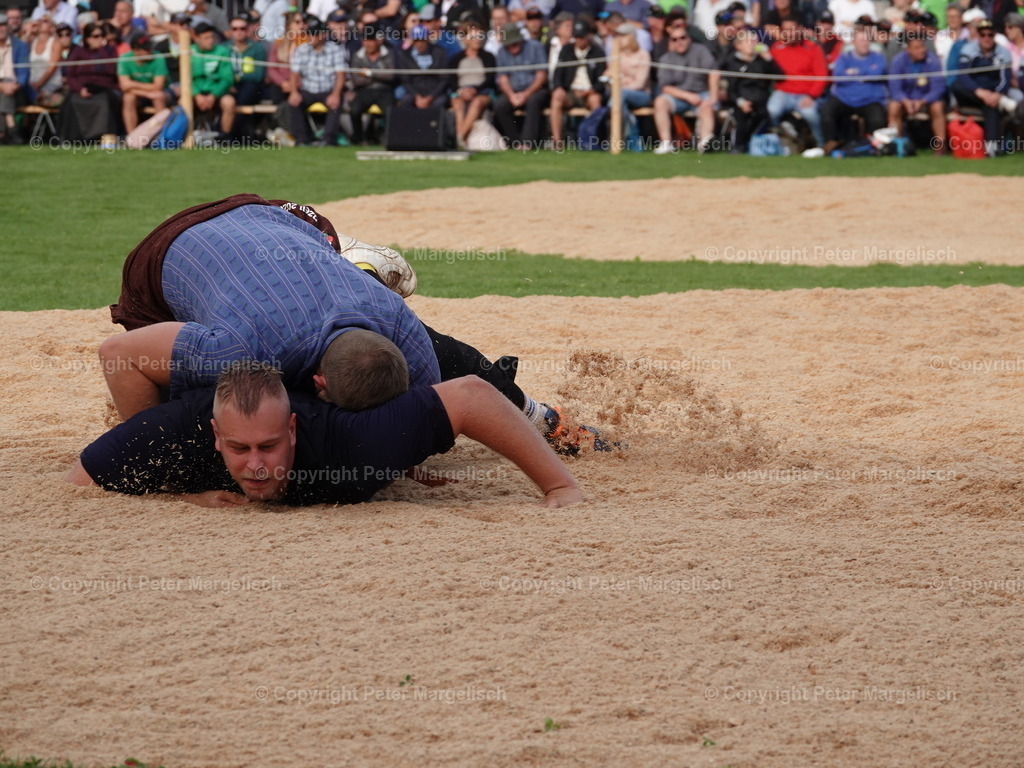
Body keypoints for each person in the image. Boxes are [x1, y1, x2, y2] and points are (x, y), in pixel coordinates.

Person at [102, 195, 590, 451]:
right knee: (201, 407)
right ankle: (347, 267)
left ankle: (542, 416)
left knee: (438, 351)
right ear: (318, 381)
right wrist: (157, 459)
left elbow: (453, 386)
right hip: (163, 252)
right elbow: (118, 356)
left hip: (276, 222)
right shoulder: (241, 351)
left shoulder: (405, 336)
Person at [67, 360, 584, 509]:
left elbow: (471, 395)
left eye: (269, 446)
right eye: (239, 448)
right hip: (211, 353)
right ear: (215, 436)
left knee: (420, 356)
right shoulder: (175, 435)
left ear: (292, 429)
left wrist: (560, 487)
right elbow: (80, 481)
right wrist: (187, 495)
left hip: (361, 352)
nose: (256, 465)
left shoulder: (353, 444)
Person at [952, 18, 1017, 154]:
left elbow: (1005, 79)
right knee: (956, 85)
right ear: (978, 35)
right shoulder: (968, 49)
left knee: (990, 105)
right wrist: (979, 91)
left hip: (992, 92)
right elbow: (963, 76)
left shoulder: (1003, 52)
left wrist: (996, 94)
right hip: (973, 92)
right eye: (983, 35)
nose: (986, 38)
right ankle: (1000, 102)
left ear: (994, 35)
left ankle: (991, 146)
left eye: (990, 34)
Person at [652, 23, 719, 153]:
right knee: (660, 102)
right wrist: (687, 96)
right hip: (679, 97)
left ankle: (705, 143)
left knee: (707, 106)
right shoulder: (666, 58)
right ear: (670, 42)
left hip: (701, 93)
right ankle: (666, 143)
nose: (679, 42)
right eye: (675, 39)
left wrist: (713, 98)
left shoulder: (700, 50)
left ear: (689, 38)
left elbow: (714, 73)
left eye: (682, 38)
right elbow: (665, 87)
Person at [819, 25, 888, 152]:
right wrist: (865, 75)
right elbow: (839, 77)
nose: (864, 43)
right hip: (844, 98)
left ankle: (872, 147)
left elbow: (877, 73)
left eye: (867, 40)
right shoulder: (844, 58)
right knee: (827, 111)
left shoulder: (878, 57)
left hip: (870, 99)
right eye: (861, 40)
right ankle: (831, 144)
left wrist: (854, 72)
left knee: (877, 119)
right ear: (853, 42)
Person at [768, 18, 827, 146]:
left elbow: (821, 75)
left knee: (810, 114)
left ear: (800, 29)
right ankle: (781, 143)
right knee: (772, 110)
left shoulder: (813, 48)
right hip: (783, 91)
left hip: (806, 94)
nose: (789, 34)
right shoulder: (776, 48)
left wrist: (811, 95)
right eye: (786, 31)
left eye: (792, 30)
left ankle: (821, 144)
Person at [721, 27, 781, 152]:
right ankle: (738, 147)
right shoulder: (733, 63)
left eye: (754, 41)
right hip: (741, 100)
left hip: (761, 100)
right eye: (748, 41)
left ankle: (753, 144)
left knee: (764, 115)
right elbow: (731, 89)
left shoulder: (761, 61)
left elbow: (779, 76)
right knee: (742, 118)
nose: (753, 44)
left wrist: (769, 58)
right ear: (738, 46)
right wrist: (740, 101)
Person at [59, 21, 120, 140]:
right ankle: (75, 137)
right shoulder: (78, 52)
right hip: (83, 87)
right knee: (71, 101)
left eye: (102, 35)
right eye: (96, 36)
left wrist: (102, 50)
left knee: (104, 102)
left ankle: (103, 136)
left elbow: (111, 71)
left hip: (104, 87)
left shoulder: (110, 51)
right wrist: (80, 89)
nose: (100, 39)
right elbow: (70, 76)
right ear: (87, 39)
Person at [288, 19, 345, 146]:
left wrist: (335, 94)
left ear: (323, 35)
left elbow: (340, 76)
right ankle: (301, 140)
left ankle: (329, 140)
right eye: (308, 33)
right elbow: (294, 75)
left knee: (337, 101)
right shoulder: (301, 50)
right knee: (293, 102)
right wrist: (294, 92)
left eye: (314, 34)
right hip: (307, 90)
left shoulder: (335, 50)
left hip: (328, 90)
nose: (310, 37)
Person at [549, 19, 606, 147]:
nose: (579, 40)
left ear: (588, 36)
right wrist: (558, 88)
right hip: (571, 91)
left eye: (582, 37)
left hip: (590, 92)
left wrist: (590, 91)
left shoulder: (598, 52)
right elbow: (557, 74)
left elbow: (601, 81)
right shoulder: (567, 50)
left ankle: (593, 141)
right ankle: (557, 142)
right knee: (556, 97)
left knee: (595, 100)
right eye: (576, 37)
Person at [493, 21, 549, 148]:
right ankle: (515, 143)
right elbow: (503, 78)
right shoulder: (502, 52)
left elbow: (541, 75)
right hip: (513, 91)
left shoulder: (536, 47)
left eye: (515, 44)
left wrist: (526, 94)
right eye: (509, 45)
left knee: (533, 101)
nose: (512, 48)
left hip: (535, 89)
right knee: (499, 105)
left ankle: (527, 143)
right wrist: (511, 95)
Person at [887, 33, 945, 151]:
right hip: (905, 101)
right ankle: (897, 146)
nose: (922, 50)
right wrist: (905, 100)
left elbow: (938, 88)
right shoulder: (898, 60)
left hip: (926, 100)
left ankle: (940, 147)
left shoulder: (932, 60)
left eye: (922, 46)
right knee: (893, 107)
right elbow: (894, 87)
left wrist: (923, 101)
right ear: (908, 49)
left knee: (937, 107)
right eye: (917, 48)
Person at [448, 20, 497, 146]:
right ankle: (461, 139)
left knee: (476, 103)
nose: (477, 40)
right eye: (473, 37)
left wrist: (475, 90)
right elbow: (451, 79)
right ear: (464, 39)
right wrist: (461, 91)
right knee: (458, 105)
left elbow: (490, 79)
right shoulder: (456, 58)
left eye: (480, 36)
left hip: (481, 92)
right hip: (461, 92)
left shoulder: (488, 57)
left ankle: (460, 138)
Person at [347, 23, 397, 145]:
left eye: (371, 40)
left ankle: (389, 139)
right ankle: (358, 139)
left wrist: (369, 73)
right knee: (354, 110)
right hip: (364, 91)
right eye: (365, 40)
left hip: (384, 90)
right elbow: (357, 80)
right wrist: (380, 75)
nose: (367, 44)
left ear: (378, 41)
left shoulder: (389, 53)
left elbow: (391, 76)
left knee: (390, 111)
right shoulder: (357, 56)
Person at [118, 29, 167, 133]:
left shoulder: (158, 57)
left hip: (160, 92)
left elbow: (159, 86)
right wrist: (147, 93)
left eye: (150, 47)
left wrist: (132, 84)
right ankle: (131, 137)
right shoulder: (124, 59)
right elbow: (124, 85)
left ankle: (161, 136)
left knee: (159, 96)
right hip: (141, 94)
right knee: (128, 98)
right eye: (146, 49)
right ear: (135, 50)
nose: (150, 50)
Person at [191, 21, 235, 136]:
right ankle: (187, 138)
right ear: (196, 38)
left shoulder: (222, 51)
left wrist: (213, 95)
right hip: (196, 92)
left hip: (216, 92)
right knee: (182, 102)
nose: (210, 40)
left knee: (229, 103)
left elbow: (227, 79)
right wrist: (196, 95)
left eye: (212, 37)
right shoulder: (189, 52)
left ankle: (224, 138)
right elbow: (186, 78)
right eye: (206, 38)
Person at [398, 23, 448, 109]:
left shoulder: (439, 52)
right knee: (406, 100)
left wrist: (431, 96)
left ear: (427, 39)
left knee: (439, 102)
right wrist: (416, 96)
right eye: (417, 40)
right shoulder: (405, 55)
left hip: (434, 90)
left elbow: (444, 78)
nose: (420, 44)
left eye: (422, 40)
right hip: (415, 91)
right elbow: (406, 80)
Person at [0, 11, 30, 143]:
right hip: (3, 88)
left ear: (7, 26)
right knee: (3, 90)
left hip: (16, 90)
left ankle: (3, 134)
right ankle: (11, 128)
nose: (1, 28)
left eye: (3, 25)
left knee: (7, 89)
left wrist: (14, 85)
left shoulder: (20, 46)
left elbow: (24, 72)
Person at [28, 13, 63, 106]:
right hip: (32, 84)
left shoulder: (55, 43)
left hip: (50, 85)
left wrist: (38, 85)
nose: (40, 23)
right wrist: (29, 32)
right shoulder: (33, 42)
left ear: (52, 27)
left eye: (45, 21)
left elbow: (51, 69)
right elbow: (20, 47)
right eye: (39, 20)